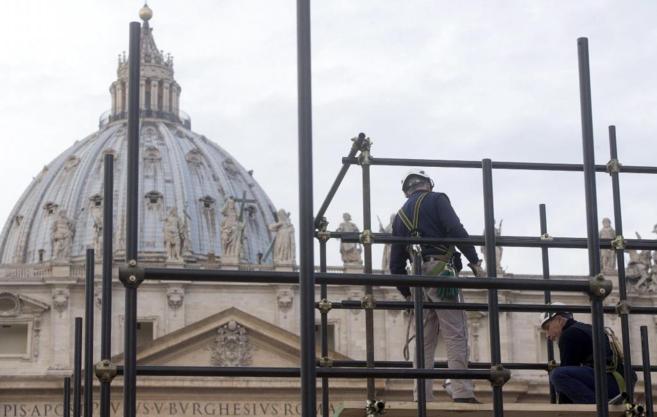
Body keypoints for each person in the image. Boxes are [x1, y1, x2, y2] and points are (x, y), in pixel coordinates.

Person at [389, 169, 485, 403]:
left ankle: (421, 396)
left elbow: (395, 265)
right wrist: (474, 261)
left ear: (406, 191)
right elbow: (456, 230)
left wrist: (407, 293)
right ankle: (461, 391)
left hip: (416, 279)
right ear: (428, 185)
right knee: (455, 332)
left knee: (423, 340)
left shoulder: (400, 216)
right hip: (442, 272)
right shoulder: (437, 199)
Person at [540, 302, 633, 404]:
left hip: (609, 383)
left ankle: (596, 407)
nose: (547, 335)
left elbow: (567, 375)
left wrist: (563, 410)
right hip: (619, 383)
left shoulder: (569, 335)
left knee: (557, 375)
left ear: (559, 320)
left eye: (548, 328)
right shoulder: (586, 328)